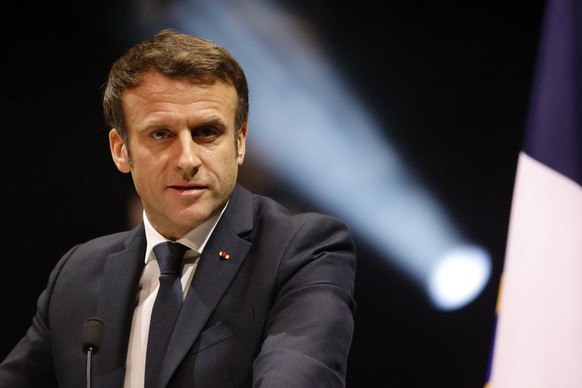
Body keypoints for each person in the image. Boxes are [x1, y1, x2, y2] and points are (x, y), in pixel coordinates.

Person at [0, 29, 356, 387]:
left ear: (239, 142)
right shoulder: (77, 273)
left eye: (206, 132)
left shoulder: (302, 251)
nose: (187, 159)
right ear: (120, 149)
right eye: (160, 134)